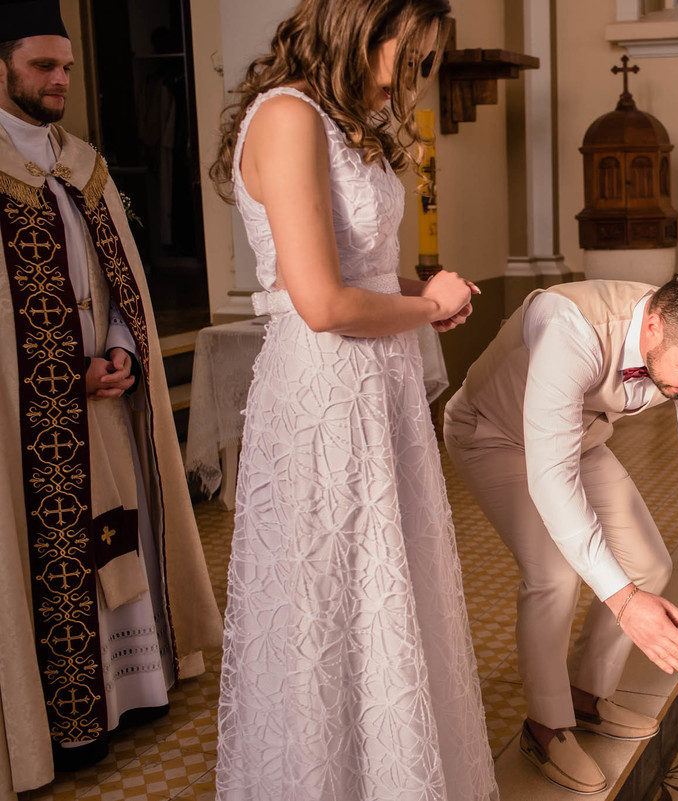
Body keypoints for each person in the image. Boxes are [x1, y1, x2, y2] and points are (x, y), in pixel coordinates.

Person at [208, 1, 496, 798]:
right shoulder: (288, 117)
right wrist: (427, 308)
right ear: (359, 28)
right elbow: (323, 303)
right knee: (328, 603)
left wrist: (420, 291)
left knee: (385, 590)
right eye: (413, 54)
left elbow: (357, 272)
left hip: (378, 387)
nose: (416, 76)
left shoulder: (341, 122)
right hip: (325, 393)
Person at [0, 3, 222, 797]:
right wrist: (66, 373)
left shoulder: (81, 166)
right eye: (42, 67)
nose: (60, 80)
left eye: (66, 66)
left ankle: (135, 686)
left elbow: (118, 279)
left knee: (121, 531)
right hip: (31, 424)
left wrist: (124, 348)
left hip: (108, 403)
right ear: (1, 66)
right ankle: (66, 720)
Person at [444, 270, 678, 794]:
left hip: (577, 438)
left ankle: (584, 695)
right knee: (553, 576)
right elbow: (551, 479)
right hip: (493, 435)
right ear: (655, 327)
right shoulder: (571, 327)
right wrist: (624, 602)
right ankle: (546, 727)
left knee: (650, 565)